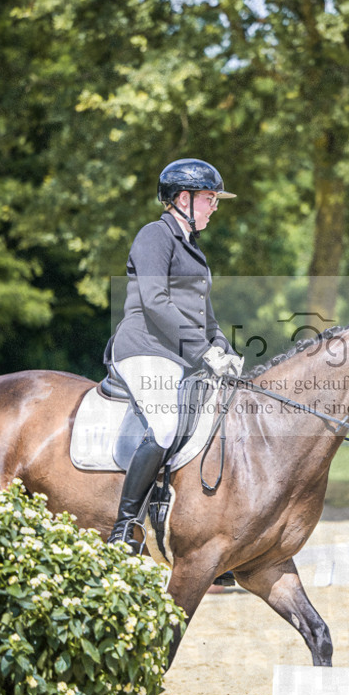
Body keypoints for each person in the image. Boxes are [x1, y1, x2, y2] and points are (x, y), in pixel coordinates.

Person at [106, 157, 243, 554]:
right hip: (144, 348)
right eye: (209, 199)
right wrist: (204, 353)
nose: (214, 207)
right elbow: (156, 302)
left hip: (180, 354)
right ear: (183, 198)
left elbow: (208, 320)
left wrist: (226, 354)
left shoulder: (194, 251)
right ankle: (125, 525)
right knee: (165, 425)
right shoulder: (155, 235)